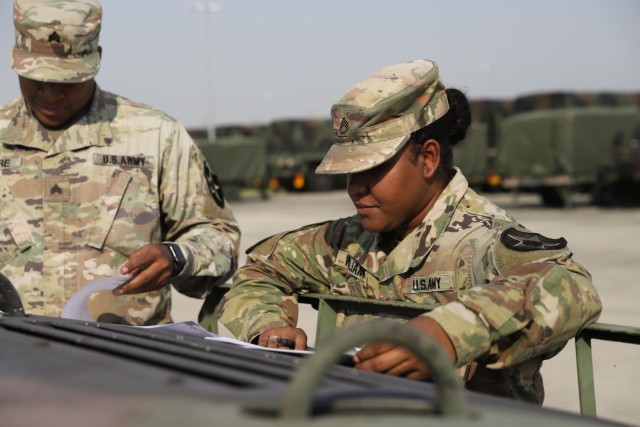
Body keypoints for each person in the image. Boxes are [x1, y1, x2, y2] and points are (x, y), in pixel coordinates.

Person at [217, 59, 602, 403]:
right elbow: (261, 268)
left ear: (428, 157)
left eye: (372, 169)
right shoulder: (349, 241)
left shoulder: (480, 241)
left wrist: (446, 334)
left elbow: (571, 285)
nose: (355, 186)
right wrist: (267, 327)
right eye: (350, 171)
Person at [0, 0, 240, 325]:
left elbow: (219, 235)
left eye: (67, 80)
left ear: (97, 59)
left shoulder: (155, 135)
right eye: (36, 78)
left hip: (127, 360)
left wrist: (177, 257)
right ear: (16, 60)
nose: (50, 93)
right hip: (13, 358)